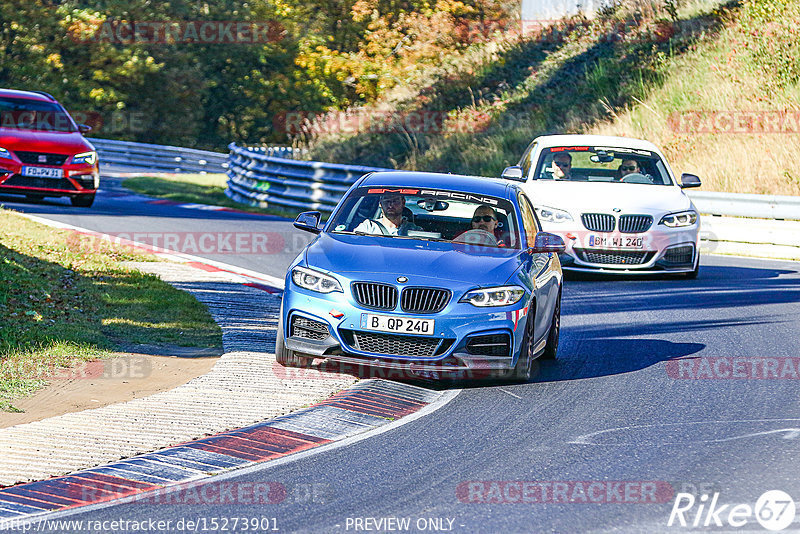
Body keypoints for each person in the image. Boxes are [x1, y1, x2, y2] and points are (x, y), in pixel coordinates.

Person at [354, 192, 421, 236]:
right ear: (380, 204)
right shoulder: (368, 227)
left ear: (403, 203)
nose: (390, 205)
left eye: (395, 201)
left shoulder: (413, 230)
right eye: (386, 201)